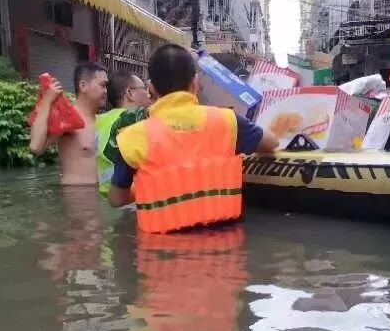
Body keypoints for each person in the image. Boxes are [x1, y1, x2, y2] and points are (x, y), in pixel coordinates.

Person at [109, 44, 279, 233]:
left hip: (160, 249)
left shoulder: (131, 139)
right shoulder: (227, 120)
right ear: (196, 82)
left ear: (151, 88)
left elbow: (117, 199)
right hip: (224, 247)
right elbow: (271, 143)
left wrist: (153, 187)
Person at [29, 61, 108, 186]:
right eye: (102, 85)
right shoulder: (68, 119)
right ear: (83, 86)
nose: (106, 91)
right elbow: (36, 147)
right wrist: (47, 101)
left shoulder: (104, 122)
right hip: (75, 194)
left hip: (101, 195)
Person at [95, 70, 151, 195]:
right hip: (127, 195)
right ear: (129, 93)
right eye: (144, 88)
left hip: (103, 195)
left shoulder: (99, 120)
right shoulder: (134, 119)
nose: (148, 94)